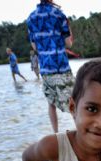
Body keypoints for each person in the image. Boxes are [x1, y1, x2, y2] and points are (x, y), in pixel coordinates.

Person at [27, 0, 75, 133]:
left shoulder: (31, 18)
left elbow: (34, 47)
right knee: (72, 100)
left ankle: (56, 134)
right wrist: (69, 32)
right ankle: (80, 131)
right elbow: (68, 44)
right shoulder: (58, 14)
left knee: (51, 102)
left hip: (46, 67)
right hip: (61, 65)